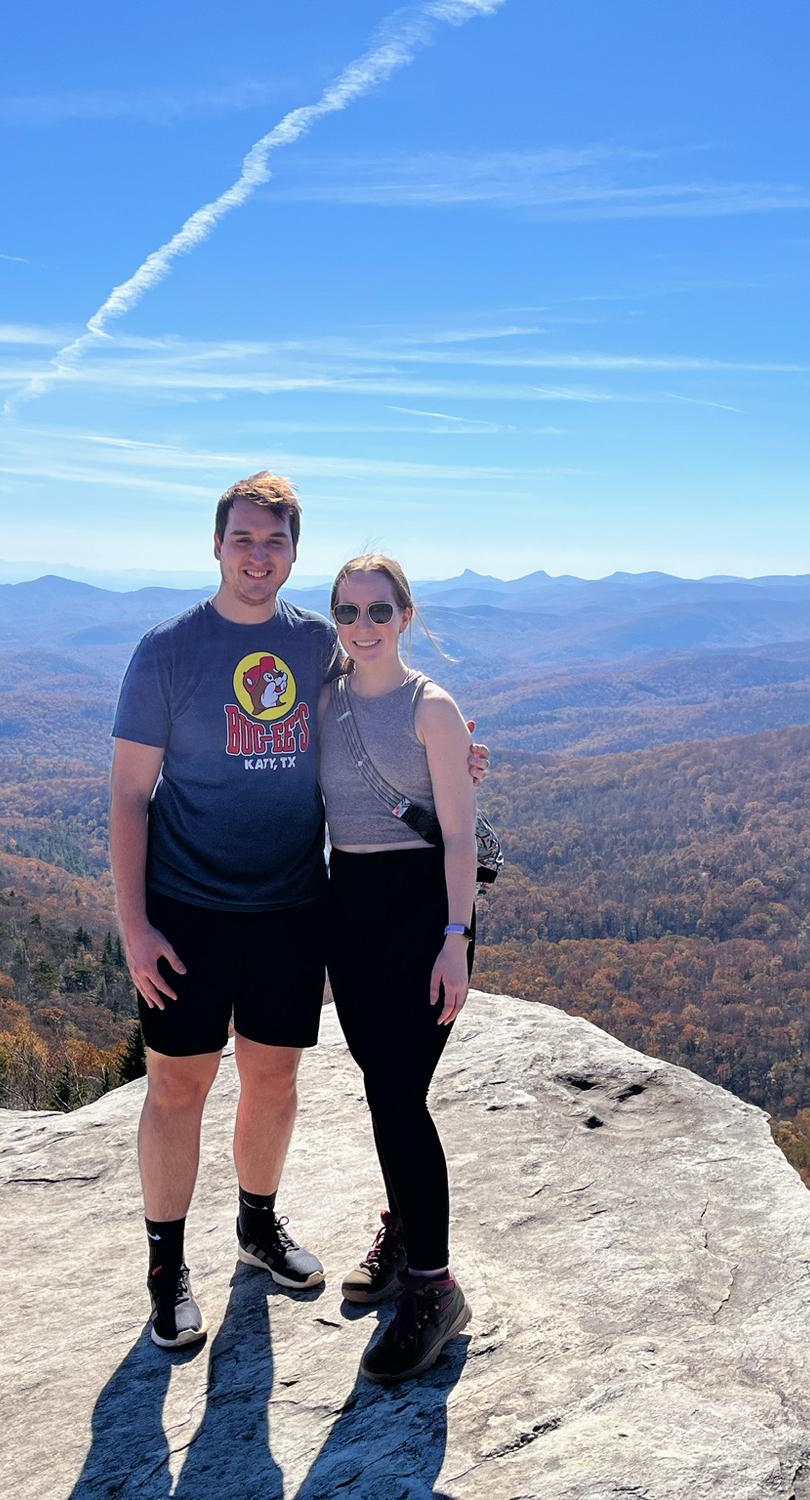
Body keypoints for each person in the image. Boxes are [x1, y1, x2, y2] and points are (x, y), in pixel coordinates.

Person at [110, 474, 486, 1351]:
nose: (256, 555)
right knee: (177, 1087)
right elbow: (129, 795)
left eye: (273, 542)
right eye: (242, 538)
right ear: (215, 544)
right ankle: (166, 1269)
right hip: (187, 905)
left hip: (291, 909)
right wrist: (135, 924)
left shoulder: (320, 648)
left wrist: (457, 760)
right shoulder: (166, 651)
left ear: (292, 554)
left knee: (273, 1079)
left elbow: (398, 714)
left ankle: (257, 1226)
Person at [319, 554, 477, 1384]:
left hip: (421, 915)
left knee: (399, 1095)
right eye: (347, 613)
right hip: (352, 911)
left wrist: (455, 937)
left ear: (406, 616)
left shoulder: (434, 710)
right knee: (380, 1085)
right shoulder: (324, 701)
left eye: (379, 611)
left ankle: (433, 1285)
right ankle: (407, 1230)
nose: (363, 627)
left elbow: (457, 834)